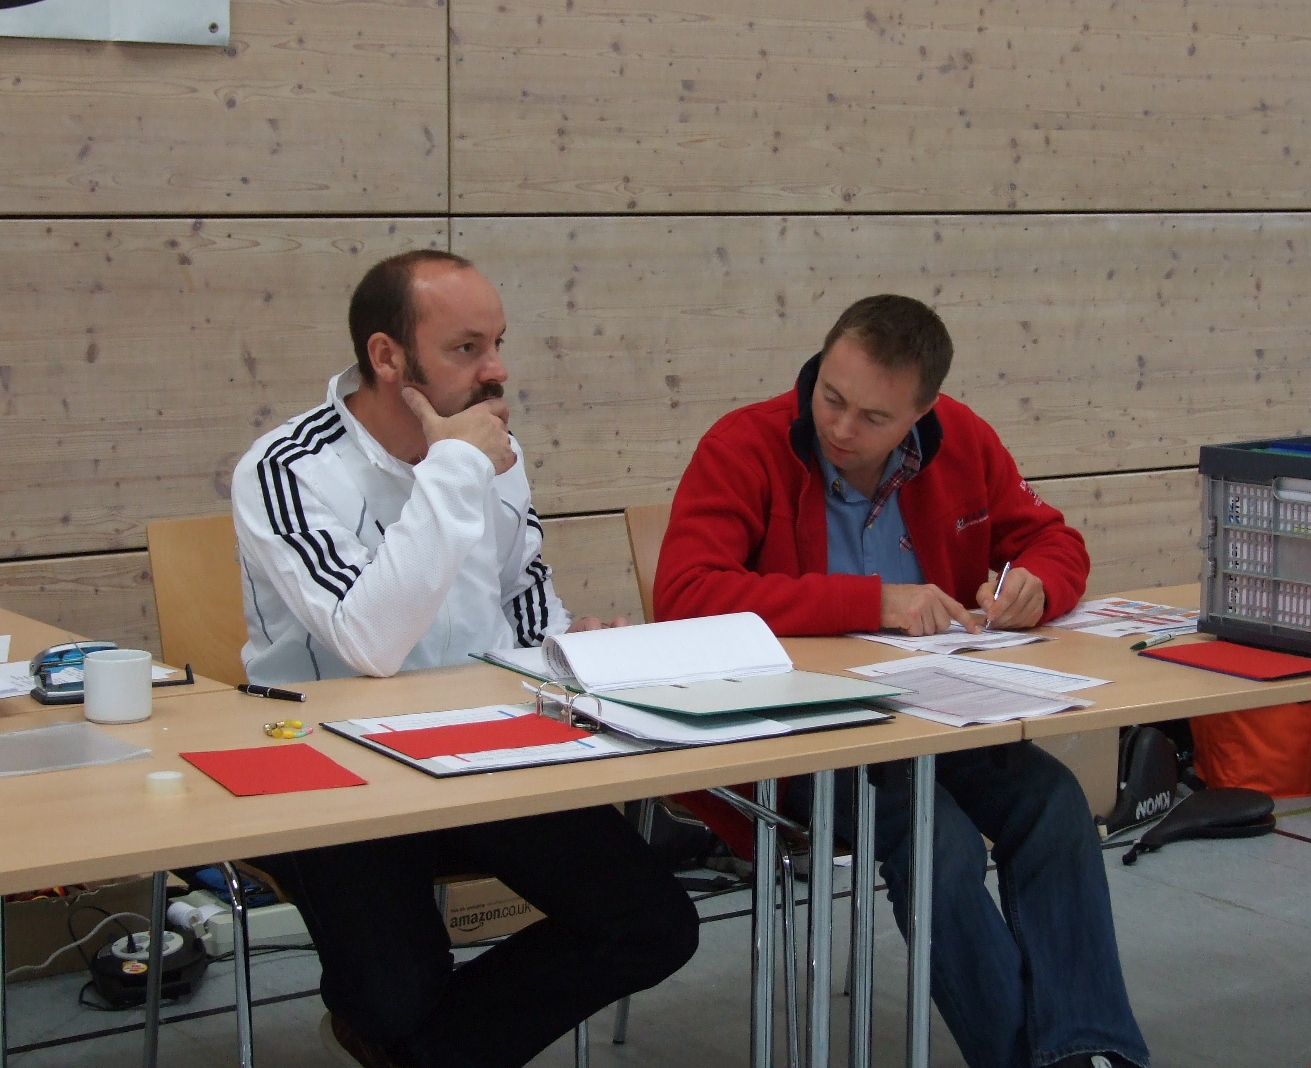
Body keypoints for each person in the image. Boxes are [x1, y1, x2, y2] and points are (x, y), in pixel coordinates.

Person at [655, 294, 1150, 1068]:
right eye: (831, 397)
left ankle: (1088, 1048)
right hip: (803, 738)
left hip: (937, 716)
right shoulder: (744, 445)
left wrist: (1037, 585)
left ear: (923, 413)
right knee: (937, 842)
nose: (841, 428)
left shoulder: (965, 441)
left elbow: (1053, 540)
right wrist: (872, 602)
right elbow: (685, 595)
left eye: (874, 417)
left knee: (1054, 804)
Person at [232, 250, 698, 1068]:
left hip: (482, 748)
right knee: (395, 997)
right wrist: (453, 466)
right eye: (466, 348)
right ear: (388, 357)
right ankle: (405, 1034)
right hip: (330, 774)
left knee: (654, 924)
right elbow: (369, 641)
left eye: (498, 343)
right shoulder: (287, 468)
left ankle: (417, 1054)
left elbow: (522, 596)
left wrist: (565, 650)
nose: (497, 370)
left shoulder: (491, 454)